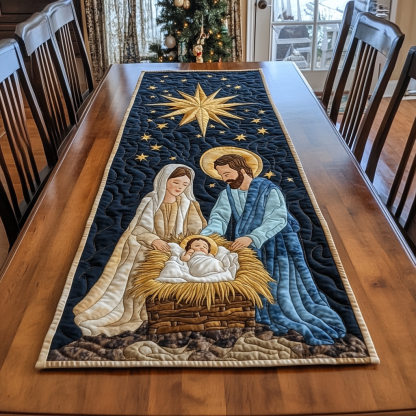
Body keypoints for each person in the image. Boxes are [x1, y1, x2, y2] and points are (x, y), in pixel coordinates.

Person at [200, 148, 346, 345]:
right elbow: (219, 217)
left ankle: (294, 315)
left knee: (285, 284)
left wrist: (252, 237)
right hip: (250, 245)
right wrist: (206, 238)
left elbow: (277, 218)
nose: (224, 179)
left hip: (278, 243)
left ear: (241, 170)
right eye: (221, 175)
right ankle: (264, 316)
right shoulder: (228, 193)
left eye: (227, 173)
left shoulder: (268, 189)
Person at [73, 164, 207, 336]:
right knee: (141, 270)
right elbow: (139, 228)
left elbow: (197, 231)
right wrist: (154, 240)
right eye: (176, 182)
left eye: (185, 184)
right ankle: (139, 314)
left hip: (180, 249)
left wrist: (184, 247)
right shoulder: (151, 201)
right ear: (164, 180)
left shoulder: (189, 205)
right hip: (149, 247)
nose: (180, 187)